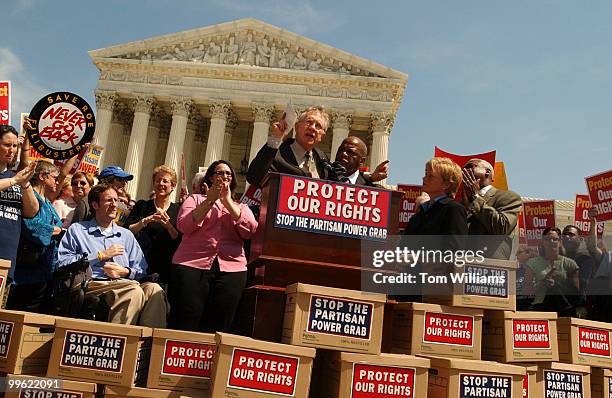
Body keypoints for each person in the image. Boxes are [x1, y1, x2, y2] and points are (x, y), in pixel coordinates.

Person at [57, 184, 167, 327]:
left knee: (154, 290)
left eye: (116, 200)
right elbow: (63, 262)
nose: (115, 205)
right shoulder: (78, 230)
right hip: (92, 283)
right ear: (95, 205)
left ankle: (146, 345)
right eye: (109, 200)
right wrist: (100, 255)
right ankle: (118, 342)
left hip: (124, 281)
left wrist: (126, 272)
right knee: (133, 290)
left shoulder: (125, 235)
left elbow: (141, 268)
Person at [170, 160, 257, 332]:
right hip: (192, 265)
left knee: (220, 322)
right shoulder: (194, 199)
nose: (224, 176)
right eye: (219, 173)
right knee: (188, 318)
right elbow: (184, 226)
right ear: (210, 177)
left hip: (231, 270)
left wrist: (227, 203)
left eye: (228, 174)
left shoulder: (241, 207)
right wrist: (209, 201)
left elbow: (249, 231)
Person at [8, 161, 63, 312]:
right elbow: (30, 225)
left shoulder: (49, 203)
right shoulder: (31, 197)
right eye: (54, 177)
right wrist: (55, 230)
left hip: (44, 272)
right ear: (42, 177)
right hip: (26, 273)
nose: (57, 181)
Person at [247, 106, 332, 187]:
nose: (312, 128)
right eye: (309, 122)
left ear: (322, 136)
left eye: (318, 126)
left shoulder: (322, 159)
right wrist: (276, 138)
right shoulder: (277, 154)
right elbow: (254, 178)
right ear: (297, 126)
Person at [0, 124, 39, 298]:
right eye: (7, 145)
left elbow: (32, 211)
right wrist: (16, 179)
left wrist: (24, 183)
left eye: (15, 146)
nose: (12, 150)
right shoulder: (12, 178)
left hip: (7, 261)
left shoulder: (13, 177)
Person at [125, 165, 181, 285]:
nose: (161, 183)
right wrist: (145, 221)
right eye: (157, 180)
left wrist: (168, 226)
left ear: (173, 186)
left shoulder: (179, 210)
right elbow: (127, 231)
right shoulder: (142, 206)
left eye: (165, 181)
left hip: (166, 268)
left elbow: (179, 239)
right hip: (140, 265)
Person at [461, 158, 522, 259]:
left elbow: (502, 227)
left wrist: (475, 198)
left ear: (487, 172)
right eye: (463, 169)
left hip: (490, 266)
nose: (464, 172)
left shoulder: (508, 197)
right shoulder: (461, 203)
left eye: (470, 167)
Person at [404, 157, 468, 246]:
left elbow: (452, 254)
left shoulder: (454, 209)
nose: (424, 178)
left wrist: (413, 257)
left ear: (446, 184)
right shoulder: (419, 213)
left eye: (431, 176)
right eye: (426, 173)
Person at [523, 227, 580, 316]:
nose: (551, 242)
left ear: (560, 242)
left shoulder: (570, 264)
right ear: (542, 242)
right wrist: (542, 283)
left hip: (563, 309)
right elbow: (526, 290)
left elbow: (576, 291)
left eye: (555, 239)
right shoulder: (532, 263)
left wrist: (559, 285)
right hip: (540, 308)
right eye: (548, 239)